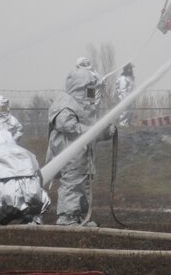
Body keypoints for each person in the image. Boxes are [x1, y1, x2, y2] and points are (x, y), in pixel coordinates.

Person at [48, 66, 116, 226]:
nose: (91, 95)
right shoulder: (65, 103)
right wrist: (95, 130)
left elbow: (90, 132)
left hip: (84, 155)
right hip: (70, 154)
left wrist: (106, 132)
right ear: (79, 88)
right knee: (72, 183)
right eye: (89, 90)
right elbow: (68, 126)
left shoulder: (84, 107)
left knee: (84, 184)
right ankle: (67, 217)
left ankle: (81, 217)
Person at [0, 129, 50, 229]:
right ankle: (35, 217)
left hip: (3, 200)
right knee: (43, 196)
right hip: (32, 199)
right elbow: (39, 178)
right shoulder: (28, 153)